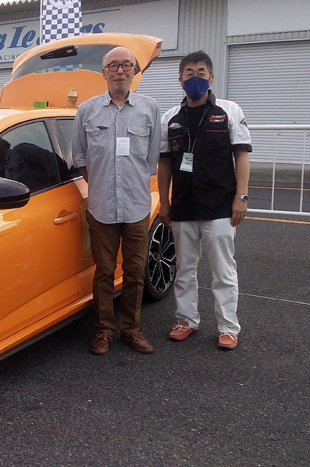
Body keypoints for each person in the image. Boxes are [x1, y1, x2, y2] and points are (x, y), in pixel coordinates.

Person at [157, 51, 252, 350]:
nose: (195, 78)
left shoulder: (229, 111)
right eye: (189, 73)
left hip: (220, 206)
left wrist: (241, 197)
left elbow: (241, 155)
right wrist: (164, 203)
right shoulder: (170, 118)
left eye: (201, 72)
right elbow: (164, 163)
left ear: (211, 78)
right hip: (183, 206)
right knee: (184, 270)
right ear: (180, 80)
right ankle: (186, 319)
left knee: (223, 271)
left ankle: (228, 328)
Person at [72, 46, 160, 355]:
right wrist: (101, 185)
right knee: (104, 272)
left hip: (137, 206)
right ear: (104, 72)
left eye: (126, 65)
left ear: (135, 71)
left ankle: (131, 329)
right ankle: (104, 329)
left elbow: (151, 160)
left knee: (135, 272)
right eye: (113, 65)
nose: (120, 70)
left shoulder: (149, 108)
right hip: (101, 208)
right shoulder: (87, 110)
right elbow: (80, 158)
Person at [0, 138, 66, 192]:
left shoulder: (20, 150)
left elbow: (51, 160)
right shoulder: (5, 169)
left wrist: (56, 185)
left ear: (1, 145)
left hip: (50, 194)